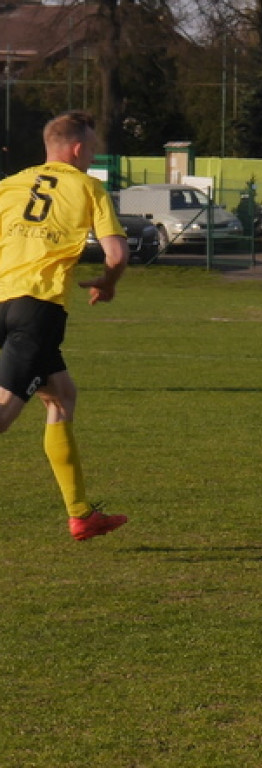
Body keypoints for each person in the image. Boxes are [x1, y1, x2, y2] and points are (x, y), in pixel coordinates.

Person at [0, 110, 130, 541]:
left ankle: (81, 514)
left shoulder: (11, 184)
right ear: (77, 149)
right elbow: (116, 255)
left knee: (61, 396)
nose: (93, 154)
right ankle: (79, 514)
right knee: (3, 412)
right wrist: (108, 284)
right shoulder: (88, 186)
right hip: (37, 308)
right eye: (92, 147)